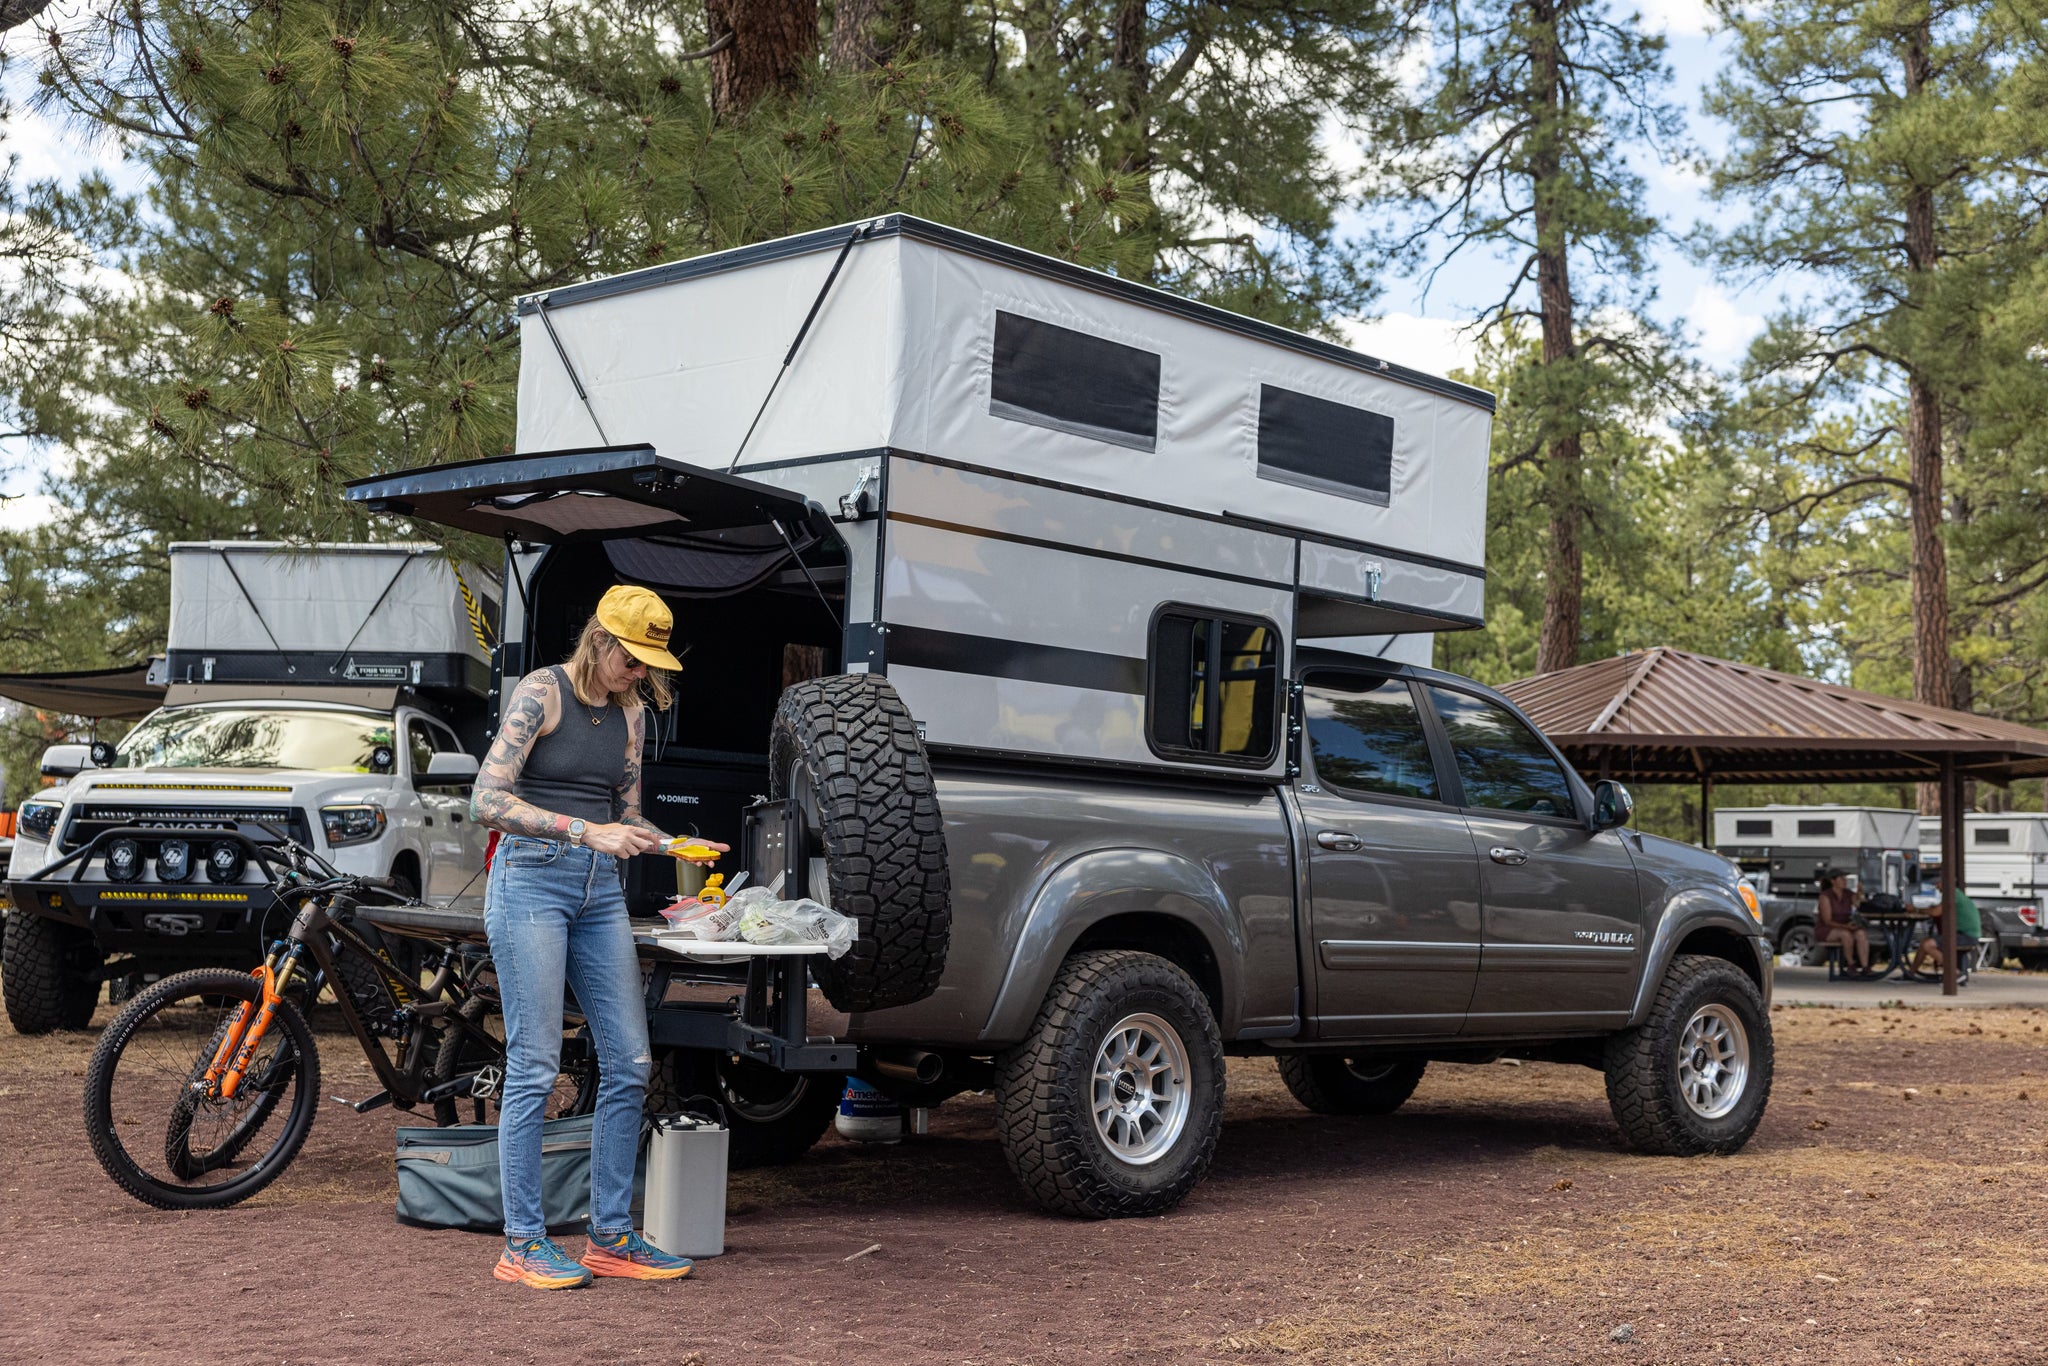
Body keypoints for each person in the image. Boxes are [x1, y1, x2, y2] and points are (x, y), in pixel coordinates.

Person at [471, 584, 726, 1290]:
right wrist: (586, 831)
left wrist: (670, 842)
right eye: (634, 659)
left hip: (597, 893)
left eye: (651, 663)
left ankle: (609, 1236)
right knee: (534, 1064)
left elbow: (627, 814)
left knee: (631, 1060)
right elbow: (484, 800)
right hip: (529, 883)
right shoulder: (541, 693)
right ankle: (522, 1243)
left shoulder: (632, 714)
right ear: (601, 641)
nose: (642, 672)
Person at [1912, 886, 1981, 979]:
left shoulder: (1951, 894)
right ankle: (1910, 973)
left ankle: (1956, 973)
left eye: (1938, 883)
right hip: (1966, 934)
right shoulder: (1956, 893)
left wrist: (1916, 909)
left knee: (1928, 945)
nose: (1936, 887)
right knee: (1925, 942)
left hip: (1966, 935)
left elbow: (1935, 912)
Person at [1815, 870, 1870, 975]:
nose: (1845, 881)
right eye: (1841, 879)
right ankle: (1850, 964)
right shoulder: (1825, 896)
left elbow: (1858, 904)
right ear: (1833, 881)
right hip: (1827, 929)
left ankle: (1865, 966)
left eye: (1845, 879)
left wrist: (1859, 893)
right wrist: (1845, 926)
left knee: (1861, 934)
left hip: (1846, 926)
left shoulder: (1848, 894)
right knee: (1845, 935)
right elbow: (1827, 920)